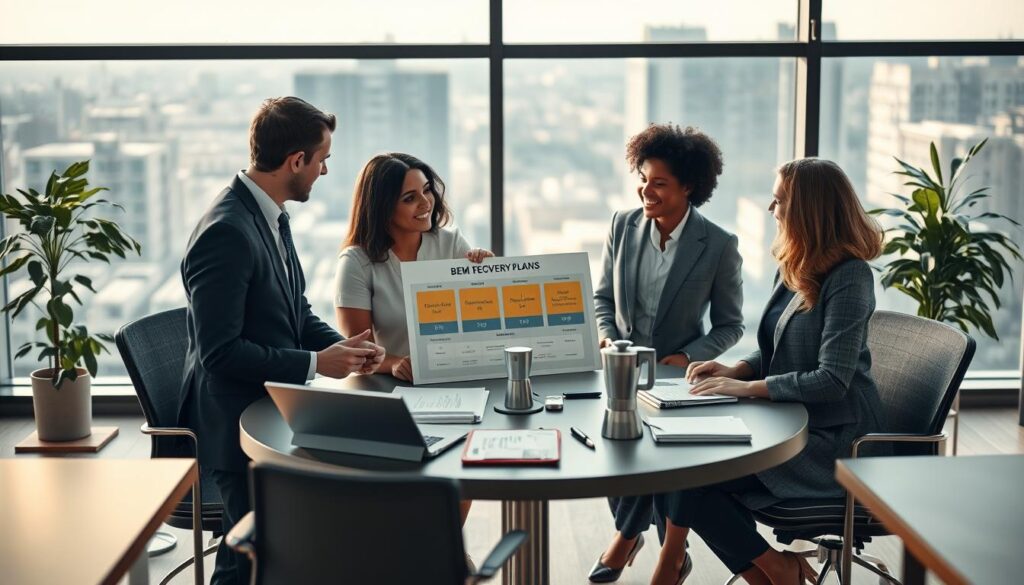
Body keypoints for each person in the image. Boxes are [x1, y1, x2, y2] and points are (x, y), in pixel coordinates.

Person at [647, 158, 886, 585]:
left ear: (808, 209)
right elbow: (776, 347)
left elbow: (831, 380)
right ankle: (774, 572)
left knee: (694, 478)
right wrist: (735, 367)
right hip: (787, 419)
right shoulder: (798, 263)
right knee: (679, 469)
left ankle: (775, 571)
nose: (770, 210)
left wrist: (745, 388)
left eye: (779, 201)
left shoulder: (850, 277)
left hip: (831, 440)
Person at [177, 97, 385, 585]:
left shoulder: (271, 215)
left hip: (273, 410)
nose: (325, 171)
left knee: (274, 547)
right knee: (252, 557)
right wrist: (316, 363)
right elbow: (220, 353)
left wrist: (346, 350)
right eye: (322, 159)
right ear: (296, 161)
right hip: (235, 428)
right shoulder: (226, 232)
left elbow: (295, 312)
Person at [590, 123, 744, 583]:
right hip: (620, 369)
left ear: (688, 187)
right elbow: (602, 299)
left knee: (671, 456)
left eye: (659, 182)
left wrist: (688, 356)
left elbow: (730, 324)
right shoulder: (622, 225)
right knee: (619, 454)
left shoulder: (718, 245)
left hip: (678, 376)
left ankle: (654, 547)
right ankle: (634, 534)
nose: (646, 189)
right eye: (643, 177)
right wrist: (604, 336)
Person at [334, 152, 492, 383]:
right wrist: (395, 363)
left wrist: (490, 273)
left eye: (427, 190)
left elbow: (482, 318)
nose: (426, 202)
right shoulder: (356, 262)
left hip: (457, 377)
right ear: (383, 207)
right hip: (393, 385)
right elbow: (359, 351)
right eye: (409, 198)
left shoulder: (451, 243)